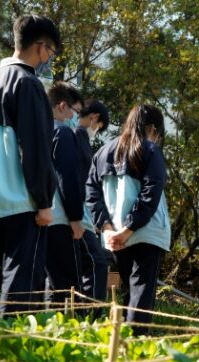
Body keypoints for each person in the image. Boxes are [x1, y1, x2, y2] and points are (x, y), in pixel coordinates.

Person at [0, 14, 60, 315]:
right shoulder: (28, 83)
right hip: (22, 200)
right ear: (41, 47)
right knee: (21, 287)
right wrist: (44, 200)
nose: (49, 59)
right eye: (51, 53)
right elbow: (35, 147)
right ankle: (8, 351)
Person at [87, 104, 170, 334]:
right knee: (141, 294)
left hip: (114, 236)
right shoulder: (150, 150)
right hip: (145, 233)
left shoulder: (103, 152)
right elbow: (150, 193)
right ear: (153, 128)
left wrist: (106, 228)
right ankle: (136, 345)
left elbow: (91, 194)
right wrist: (129, 228)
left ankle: (119, 342)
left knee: (126, 293)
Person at [45, 81, 85, 303]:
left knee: (47, 280)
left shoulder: (36, 131)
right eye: (76, 112)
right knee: (67, 285)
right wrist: (76, 218)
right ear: (62, 107)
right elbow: (67, 177)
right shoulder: (62, 133)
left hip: (37, 215)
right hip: (60, 217)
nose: (76, 119)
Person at [73, 99, 110, 306]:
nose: (96, 131)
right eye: (99, 127)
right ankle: (90, 315)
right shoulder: (78, 135)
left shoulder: (73, 135)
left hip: (78, 215)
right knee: (97, 263)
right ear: (94, 118)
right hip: (78, 215)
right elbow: (80, 180)